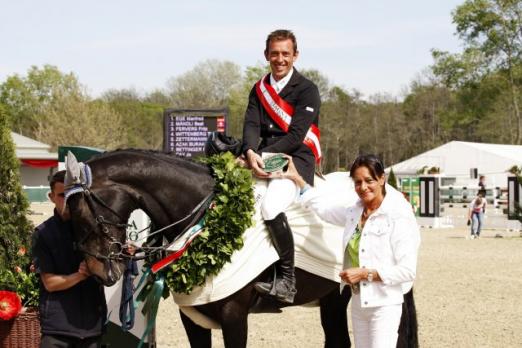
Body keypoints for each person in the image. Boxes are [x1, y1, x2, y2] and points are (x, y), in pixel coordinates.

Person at [280, 154, 420, 348]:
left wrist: (364, 273)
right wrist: (298, 180)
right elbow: (323, 209)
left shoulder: (397, 216)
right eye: (357, 182)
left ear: (381, 179)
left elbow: (407, 271)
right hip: (359, 303)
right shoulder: (354, 212)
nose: (363, 187)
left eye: (369, 181)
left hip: (384, 304)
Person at [242, 29, 321, 303]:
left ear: (295, 55)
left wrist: (259, 156)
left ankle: (287, 279)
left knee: (271, 206)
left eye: (285, 53)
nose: (280, 59)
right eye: (274, 53)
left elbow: (295, 137)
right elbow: (251, 124)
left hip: (294, 160)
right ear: (266, 55)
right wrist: (250, 151)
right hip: (262, 155)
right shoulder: (259, 88)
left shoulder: (307, 89)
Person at [32, 171, 107, 348]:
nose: (67, 200)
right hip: (58, 331)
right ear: (51, 197)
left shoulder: (95, 229)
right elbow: (50, 283)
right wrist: (81, 275)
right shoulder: (43, 233)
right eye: (61, 195)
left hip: (93, 328)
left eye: (72, 194)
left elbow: (110, 272)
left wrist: (124, 253)